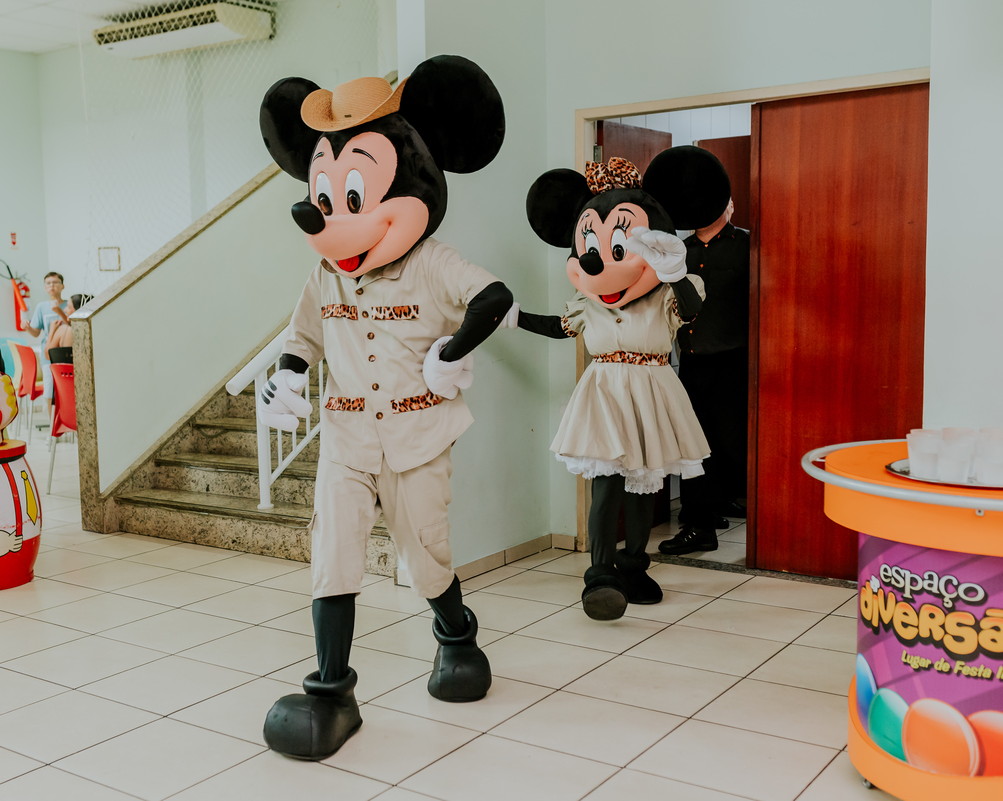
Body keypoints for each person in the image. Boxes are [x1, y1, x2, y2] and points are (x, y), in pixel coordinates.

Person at [256, 57, 511, 760]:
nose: (332, 216)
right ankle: (331, 691)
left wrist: (453, 349)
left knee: (425, 555)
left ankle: (456, 634)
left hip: (418, 431)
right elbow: (303, 336)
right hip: (346, 432)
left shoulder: (432, 262)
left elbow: (493, 297)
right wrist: (287, 377)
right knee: (333, 553)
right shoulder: (325, 274)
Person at [510, 152, 709, 622]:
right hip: (603, 390)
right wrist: (513, 317)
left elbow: (691, 310)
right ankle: (600, 573)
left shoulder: (670, 291)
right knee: (605, 485)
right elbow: (561, 327)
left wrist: (673, 272)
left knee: (644, 484)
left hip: (651, 389)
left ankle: (634, 565)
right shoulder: (588, 302)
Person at [657, 193, 751, 556]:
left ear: (730, 206)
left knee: (730, 442)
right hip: (692, 362)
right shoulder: (679, 252)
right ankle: (699, 524)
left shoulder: (747, 246)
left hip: (735, 362)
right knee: (691, 443)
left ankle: (717, 504)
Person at [45, 293, 93, 364]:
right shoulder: (92, 330)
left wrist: (51, 331)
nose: (65, 309)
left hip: (66, 371)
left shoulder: (64, 330)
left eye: (68, 307)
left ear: (78, 311)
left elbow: (48, 355)